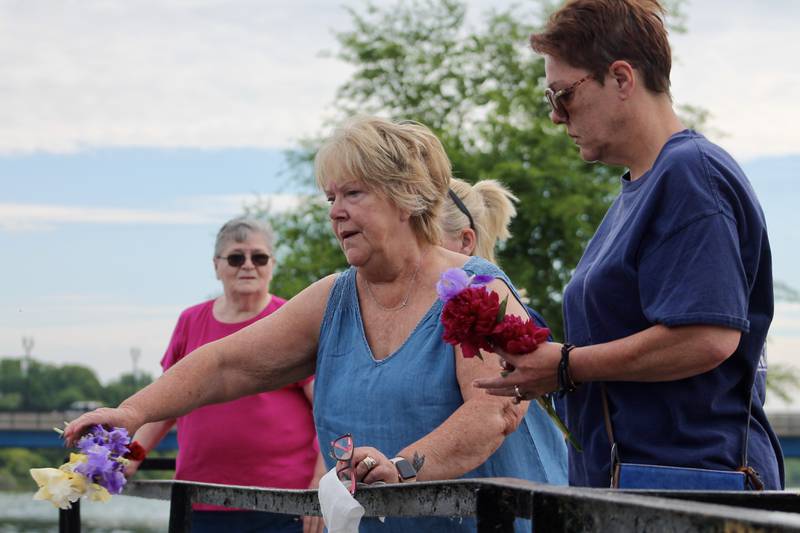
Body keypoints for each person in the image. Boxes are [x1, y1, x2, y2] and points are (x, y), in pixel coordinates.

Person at [65, 116, 567, 532]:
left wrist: (405, 466)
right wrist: (130, 414)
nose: (336, 213)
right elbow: (226, 364)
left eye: (353, 194)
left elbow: (495, 412)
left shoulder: (474, 287)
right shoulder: (334, 296)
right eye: (330, 199)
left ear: (405, 199)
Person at [474, 0, 783, 490]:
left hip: (688, 483)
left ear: (621, 78)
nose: (557, 117)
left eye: (563, 96)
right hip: (643, 483)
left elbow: (708, 336)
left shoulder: (689, 175)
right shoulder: (646, 186)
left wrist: (566, 365)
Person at [126, 217, 325, 533]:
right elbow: (164, 406)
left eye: (258, 257)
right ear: (216, 265)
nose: (248, 266)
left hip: (285, 504)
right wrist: (131, 456)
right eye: (236, 257)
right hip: (200, 500)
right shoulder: (191, 322)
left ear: (272, 264)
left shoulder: (291, 320)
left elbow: (329, 409)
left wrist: (322, 479)